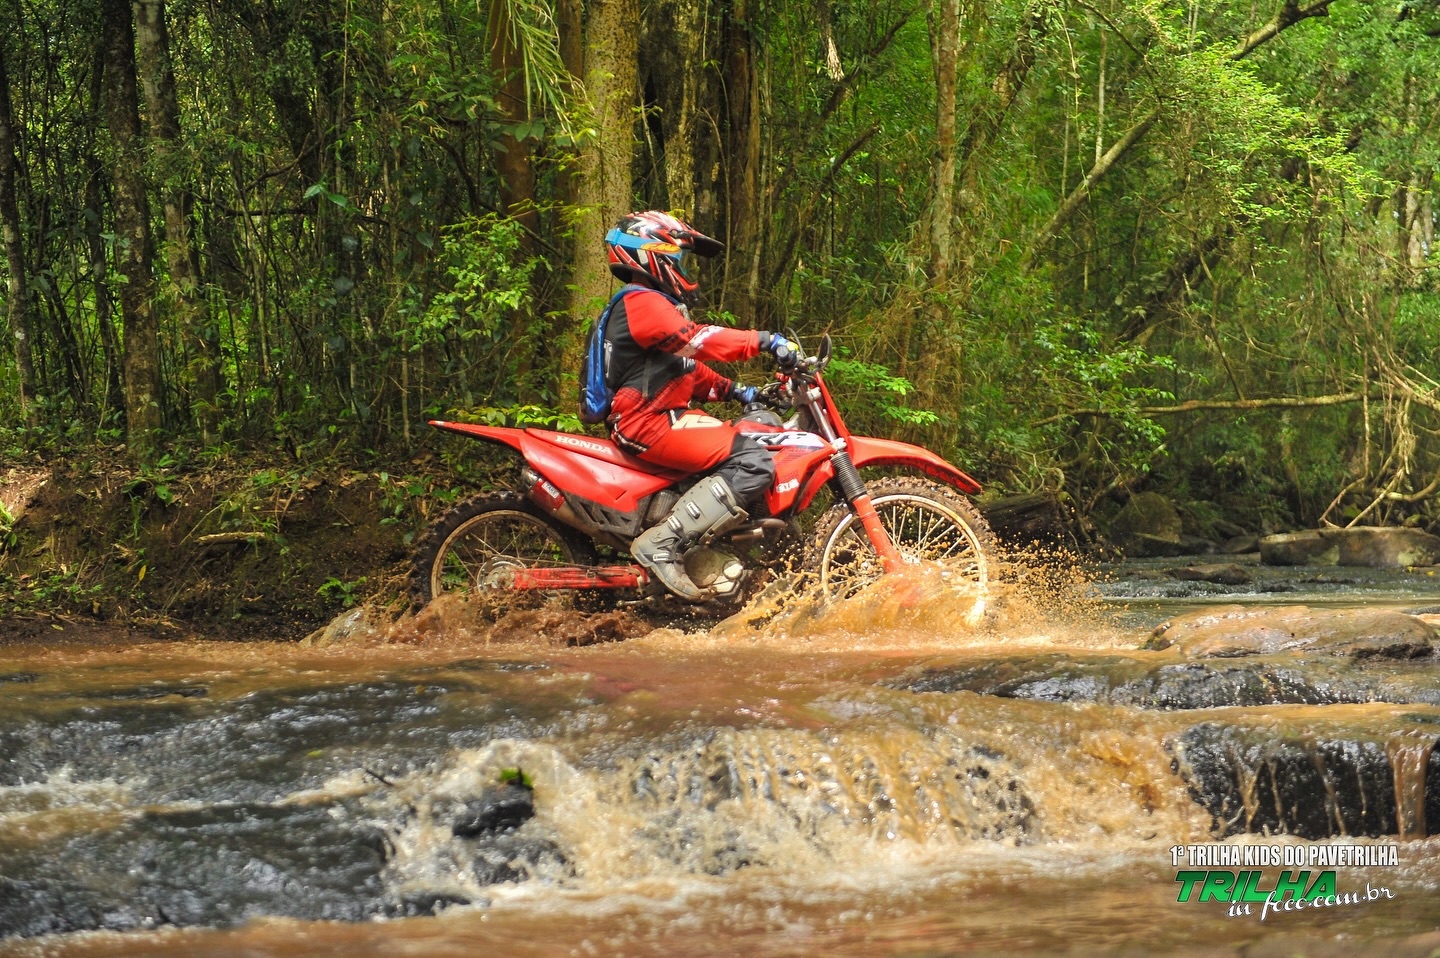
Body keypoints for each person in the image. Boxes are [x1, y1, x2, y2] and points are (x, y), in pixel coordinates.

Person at [595, 210, 800, 601]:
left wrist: (744, 392)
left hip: (660, 417)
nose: (684, 268)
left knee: (750, 435)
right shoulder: (641, 302)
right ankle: (664, 544)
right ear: (651, 255)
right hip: (649, 422)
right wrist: (765, 341)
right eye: (679, 258)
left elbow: (687, 370)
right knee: (753, 462)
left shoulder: (650, 305)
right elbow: (698, 340)